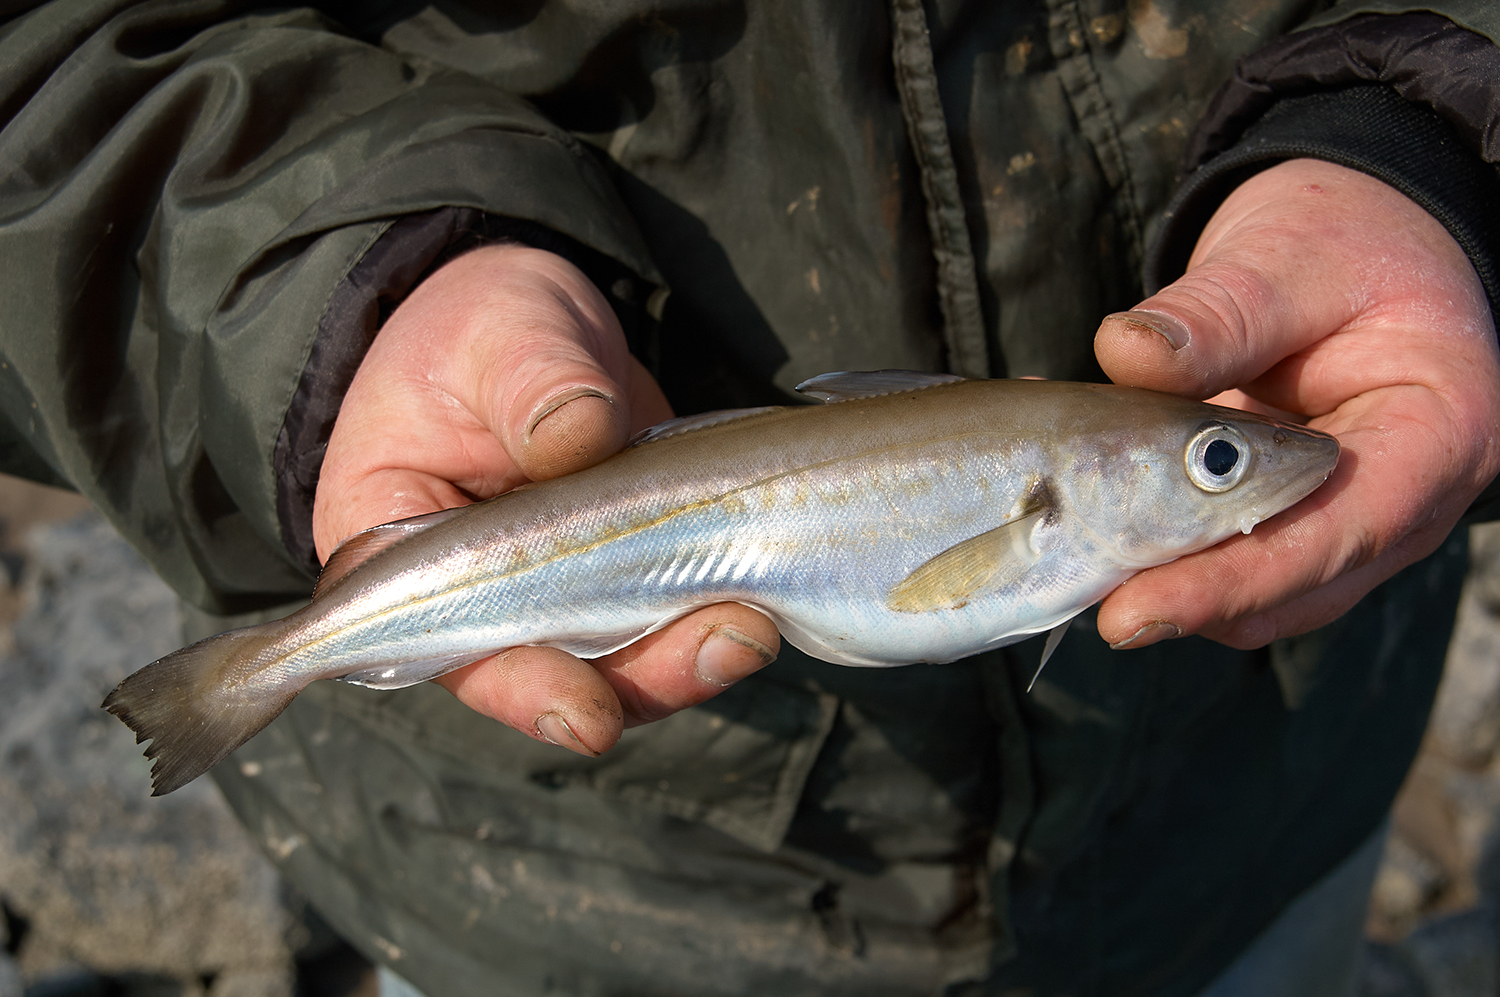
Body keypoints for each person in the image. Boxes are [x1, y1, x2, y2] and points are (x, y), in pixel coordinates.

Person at [1, 1, 1498, 994]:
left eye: (1211, 452)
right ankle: (259, 664)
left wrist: (1429, 149)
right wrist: (344, 302)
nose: (1239, 465)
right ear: (1067, 490)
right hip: (555, 905)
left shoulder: (1097, 517)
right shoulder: (1051, 512)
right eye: (1214, 460)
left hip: (1241, 824)